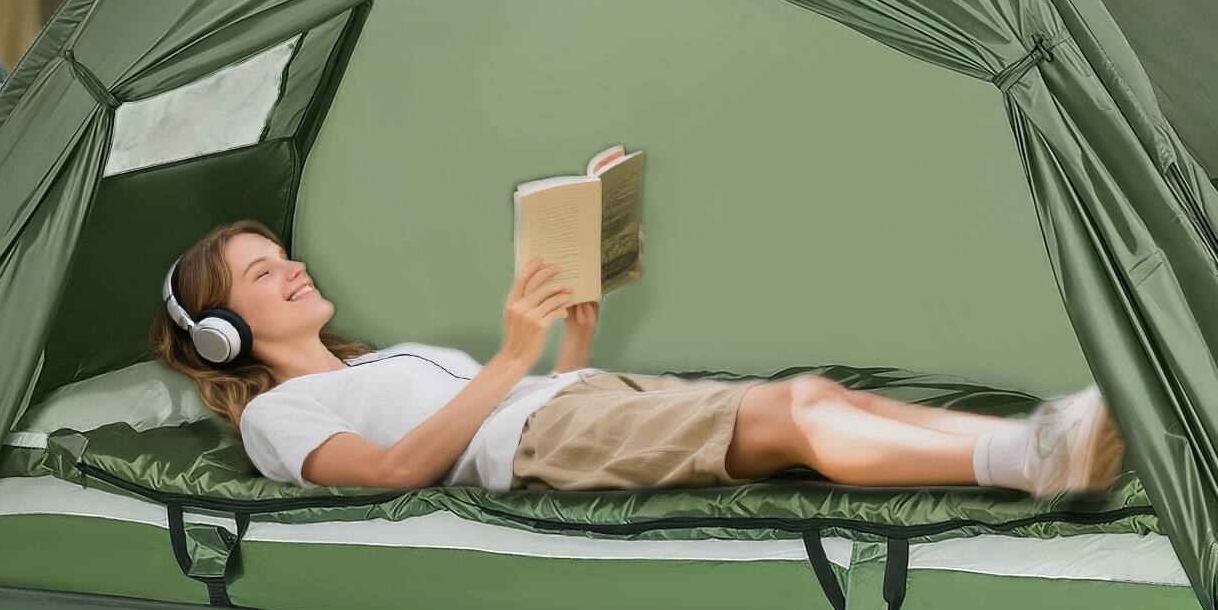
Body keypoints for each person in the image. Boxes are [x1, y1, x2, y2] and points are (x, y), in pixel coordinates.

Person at [151, 219, 1125, 499]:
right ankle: (1031, 461)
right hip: (542, 436)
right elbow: (396, 470)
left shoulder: (375, 360)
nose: (294, 268)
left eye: (284, 256)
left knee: (809, 393)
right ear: (220, 332)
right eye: (263, 272)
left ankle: (1036, 438)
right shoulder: (276, 415)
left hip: (567, 403)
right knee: (791, 422)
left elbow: (509, 399)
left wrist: (571, 340)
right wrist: (510, 359)